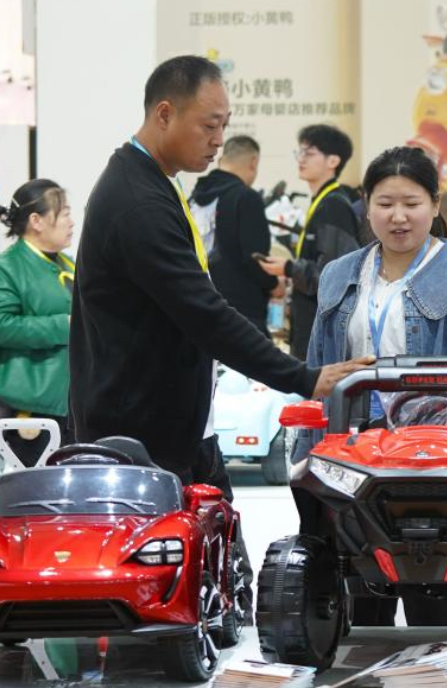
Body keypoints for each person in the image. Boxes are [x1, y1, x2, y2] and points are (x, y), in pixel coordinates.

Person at [69, 55, 370, 491]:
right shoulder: (138, 202)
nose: (218, 141)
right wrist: (303, 377)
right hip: (138, 437)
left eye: (224, 126)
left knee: (219, 546)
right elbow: (202, 311)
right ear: (165, 114)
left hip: (175, 425)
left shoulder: (157, 181)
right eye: (209, 126)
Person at [300, 145, 447, 627]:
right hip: (349, 453)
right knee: (356, 590)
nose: (399, 217)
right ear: (366, 203)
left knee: (434, 589)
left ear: (435, 205)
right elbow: (318, 368)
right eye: (385, 203)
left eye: (412, 204)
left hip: (436, 458)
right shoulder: (339, 275)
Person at [0, 180, 75, 467]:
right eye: (64, 213)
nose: (71, 221)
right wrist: (64, 325)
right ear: (36, 221)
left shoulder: (68, 264)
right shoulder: (2, 270)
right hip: (30, 407)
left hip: (70, 402)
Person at [258, 123, 360, 360]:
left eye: (309, 153)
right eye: (300, 152)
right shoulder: (322, 203)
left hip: (323, 334)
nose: (301, 159)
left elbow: (335, 276)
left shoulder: (333, 206)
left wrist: (289, 268)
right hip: (311, 328)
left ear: (333, 161)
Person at [190, 135, 279, 337]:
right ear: (253, 162)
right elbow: (255, 258)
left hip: (199, 305)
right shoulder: (246, 198)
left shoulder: (193, 199)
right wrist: (274, 285)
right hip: (242, 313)